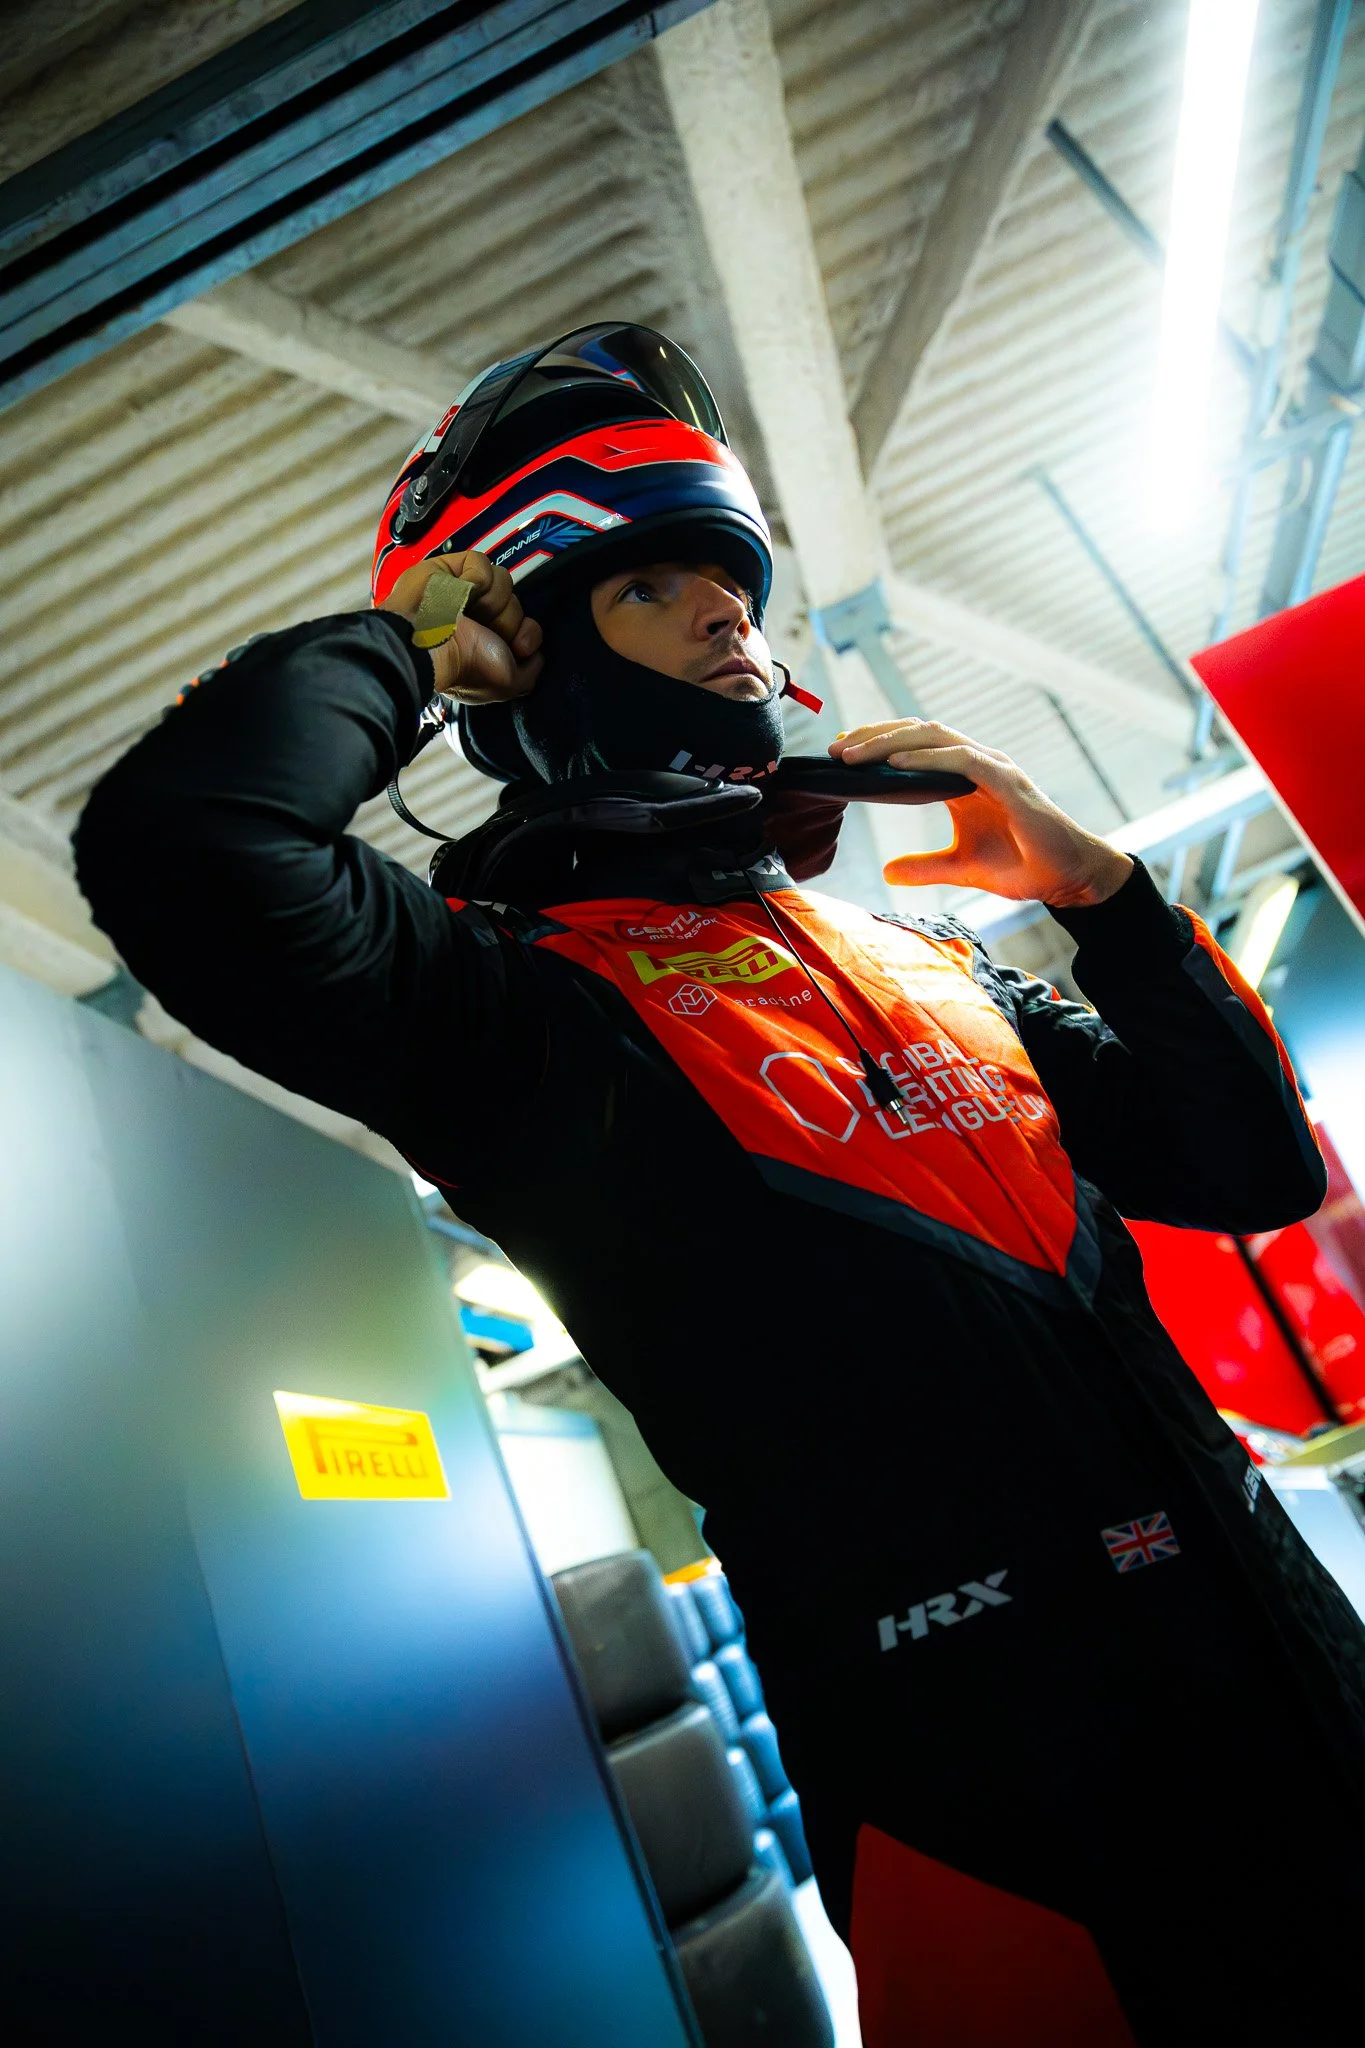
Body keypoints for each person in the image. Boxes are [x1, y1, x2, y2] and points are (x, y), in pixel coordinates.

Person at [76, 324, 1365, 2045]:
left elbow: (1251, 1165)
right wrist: (409, 646)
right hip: (1012, 1838)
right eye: (651, 586)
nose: (726, 616)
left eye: (734, 583)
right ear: (525, 652)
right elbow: (187, 844)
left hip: (1307, 1688)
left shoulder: (937, 962)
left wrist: (1107, 896)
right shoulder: (506, 1005)